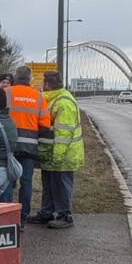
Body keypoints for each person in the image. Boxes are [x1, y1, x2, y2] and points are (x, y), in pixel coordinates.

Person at [32, 70, 84, 229]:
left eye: (44, 83)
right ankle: (46, 212)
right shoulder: (52, 100)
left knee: (61, 184)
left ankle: (64, 215)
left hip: (63, 154)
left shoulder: (63, 103)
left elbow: (63, 133)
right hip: (51, 151)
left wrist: (57, 156)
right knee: (49, 184)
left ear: (48, 84)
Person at [7, 65, 50, 222]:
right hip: (30, 148)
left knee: (7, 181)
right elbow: (45, 125)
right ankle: (22, 217)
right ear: (30, 78)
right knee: (26, 183)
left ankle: (7, 216)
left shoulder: (7, 92)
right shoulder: (38, 97)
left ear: (15, 77)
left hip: (9, 145)